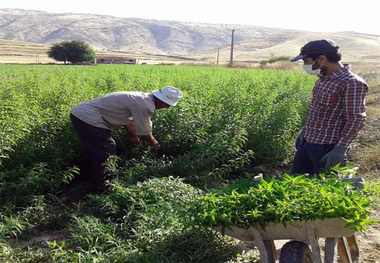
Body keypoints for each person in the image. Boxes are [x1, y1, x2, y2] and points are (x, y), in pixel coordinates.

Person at [70, 86, 183, 191]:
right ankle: (104, 186)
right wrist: (156, 146)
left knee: (99, 150)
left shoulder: (142, 98)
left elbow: (126, 118)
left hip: (82, 113)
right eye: (167, 104)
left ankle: (93, 177)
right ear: (160, 99)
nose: (167, 107)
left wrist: (133, 136)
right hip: (88, 117)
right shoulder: (145, 105)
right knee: (106, 149)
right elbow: (145, 132)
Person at [290, 39, 368, 175]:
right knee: (297, 186)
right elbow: (319, 109)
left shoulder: (352, 83)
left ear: (321, 59)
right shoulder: (323, 78)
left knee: (322, 190)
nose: (305, 65)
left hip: (327, 148)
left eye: (306, 61)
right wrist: (305, 133)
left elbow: (356, 120)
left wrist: (340, 150)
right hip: (308, 142)